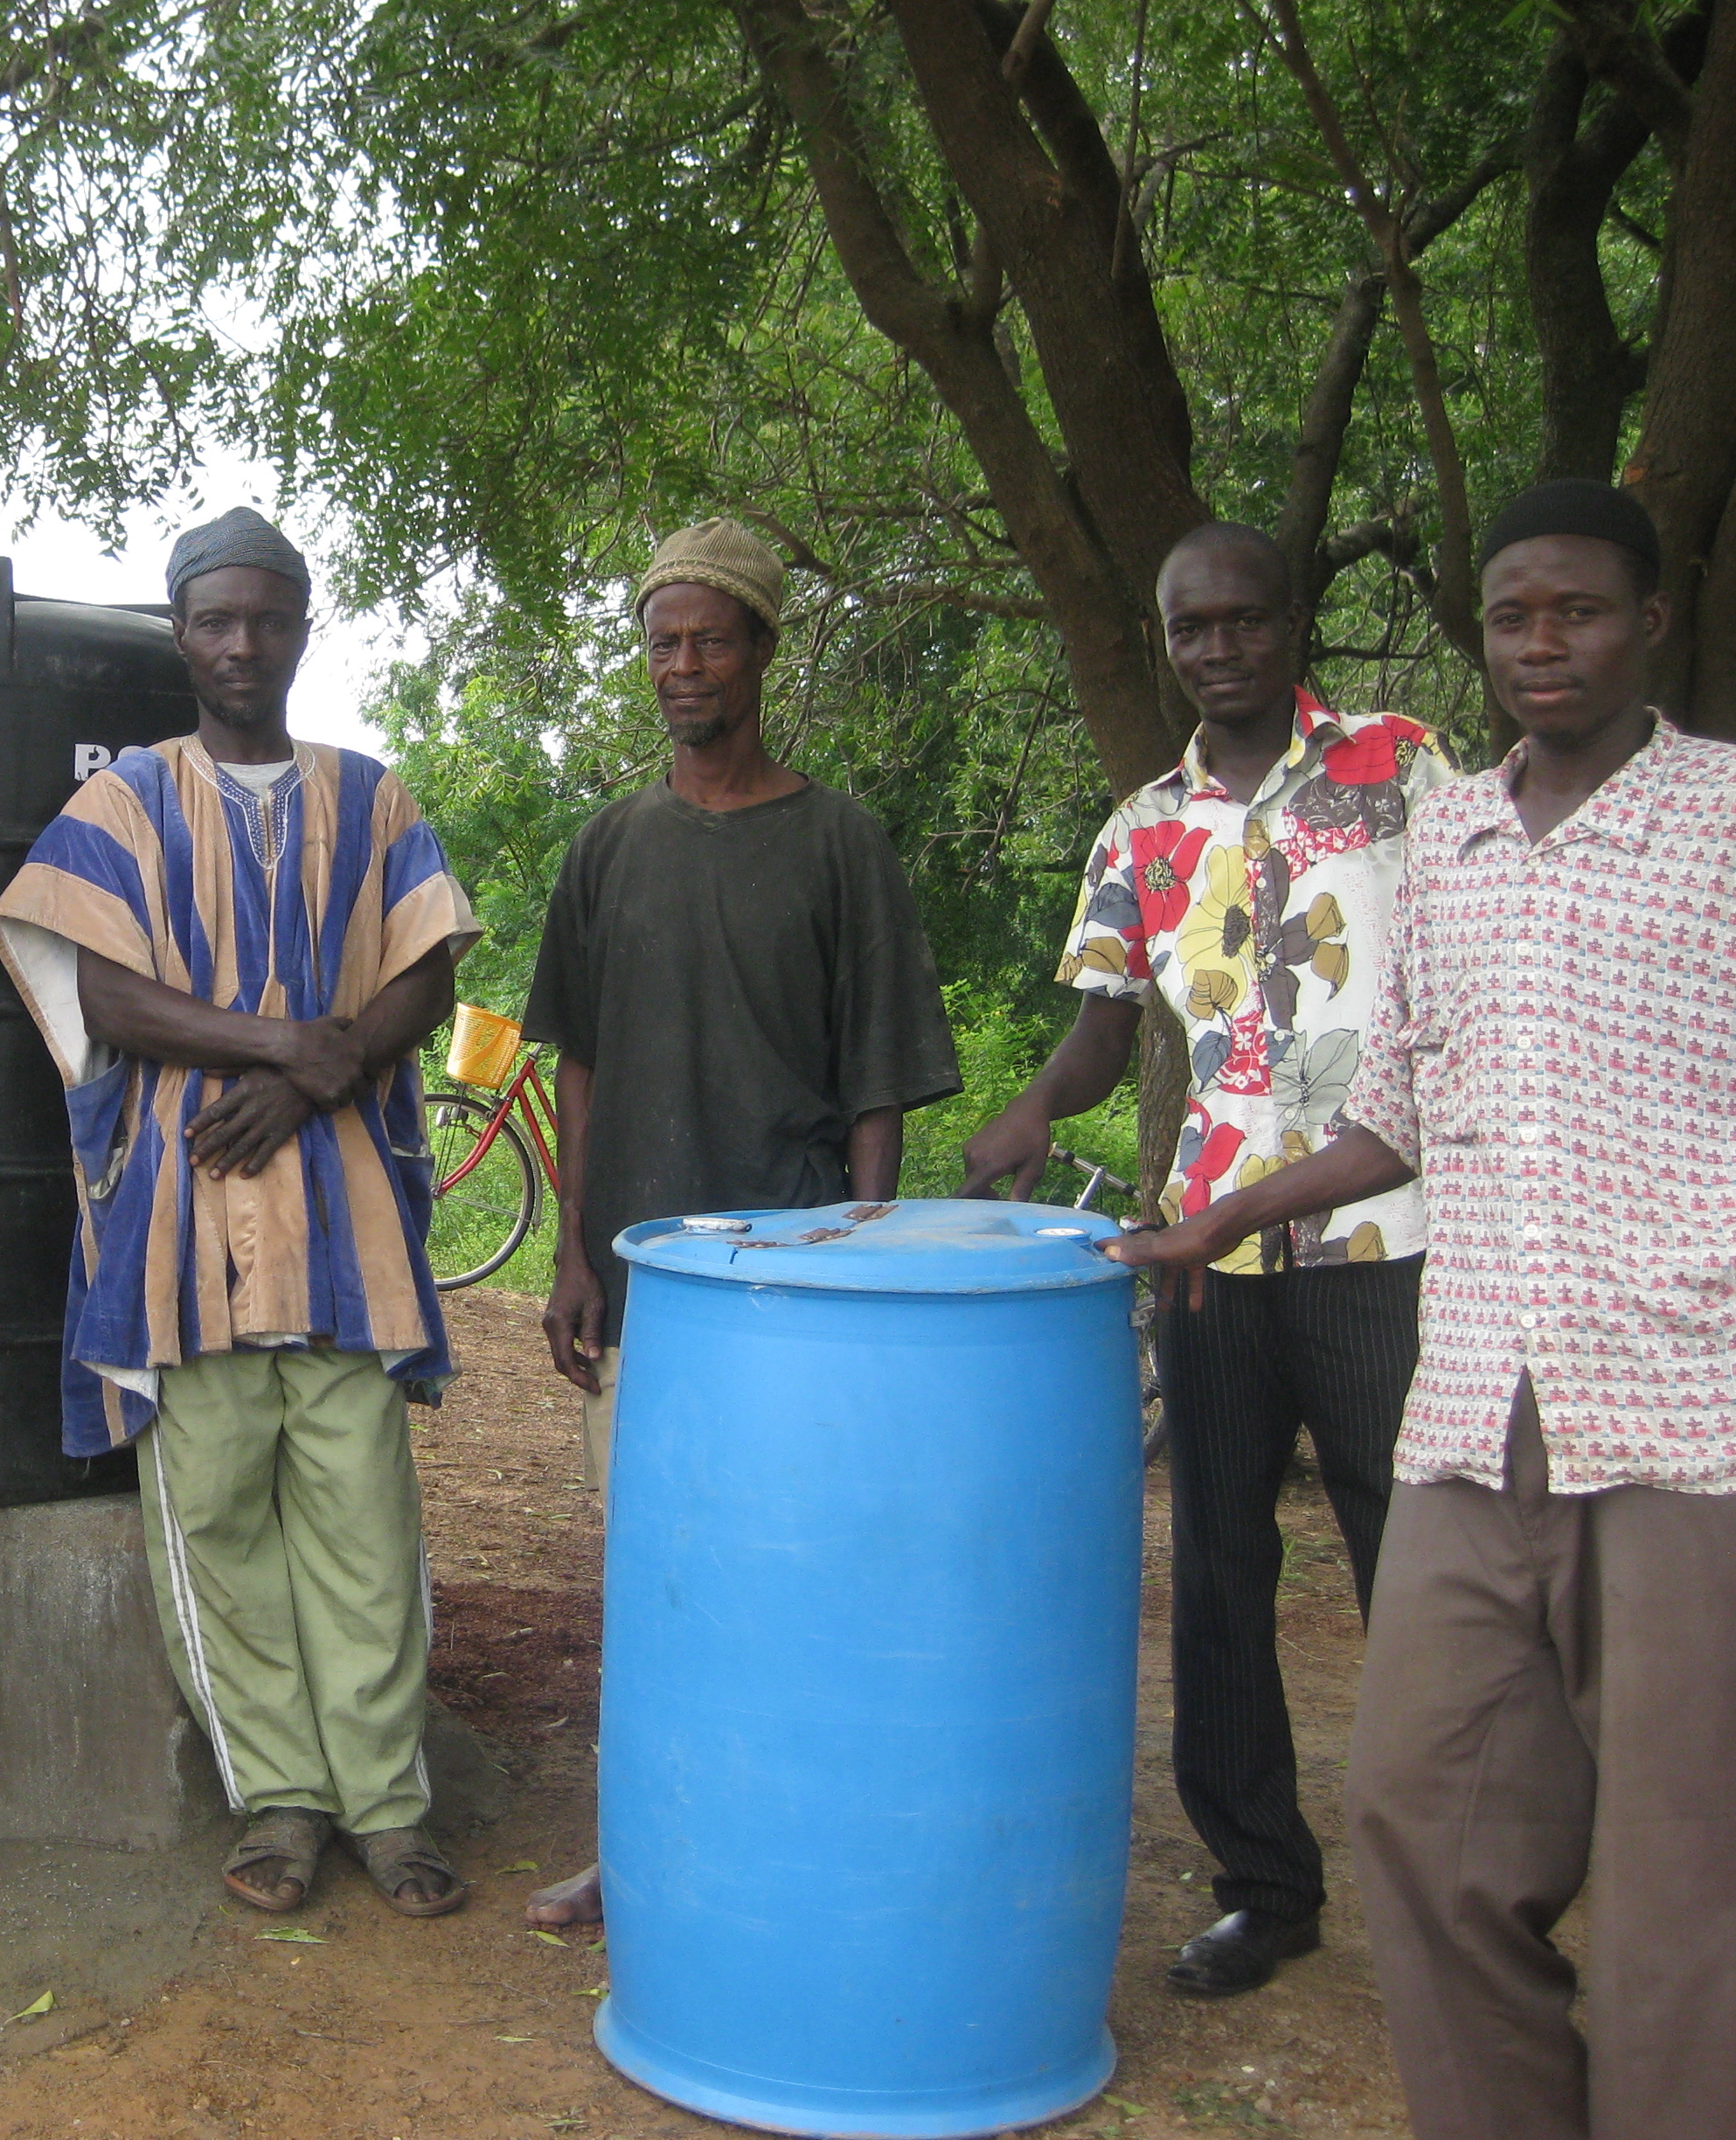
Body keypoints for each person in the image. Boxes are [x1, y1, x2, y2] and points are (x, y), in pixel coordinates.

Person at [1113, 478, 1736, 2138]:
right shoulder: (1450, 842)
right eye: (1515, 616)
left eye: (1580, 611)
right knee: (1423, 1821)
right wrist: (1217, 1220)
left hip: (1681, 1415)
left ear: (1651, 623)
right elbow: (1390, 1106)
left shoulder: (1715, 821)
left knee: (1684, 1876)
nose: (1544, 644)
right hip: (1476, 1401)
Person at [962, 521, 1454, 1995]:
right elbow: (1109, 1031)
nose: (1220, 647)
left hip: (1386, 1234)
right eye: (1192, 628)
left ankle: (1454, 1892)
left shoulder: (1404, 767)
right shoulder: (1143, 826)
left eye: (1245, 619)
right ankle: (1266, 1885)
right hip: (1206, 1250)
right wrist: (1039, 1107)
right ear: (1167, 640)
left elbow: (1479, 957)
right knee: (1222, 1569)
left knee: (1414, 1571)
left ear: (1294, 622)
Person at [0, 507, 483, 1920]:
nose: (242, 644)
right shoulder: (127, 802)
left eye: (268, 618)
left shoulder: (369, 794)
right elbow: (99, 991)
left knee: (366, 1527)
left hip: (345, 1239)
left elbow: (426, 971)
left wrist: (338, 1061)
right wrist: (290, 1053)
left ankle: (388, 1807)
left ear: (302, 630)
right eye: (215, 620)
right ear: (181, 634)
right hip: (181, 1232)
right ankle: (277, 1803)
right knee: (215, 1529)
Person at [523, 517, 962, 1929]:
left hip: (795, 1289)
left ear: (765, 651)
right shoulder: (608, 849)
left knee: (800, 1571)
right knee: (653, 1575)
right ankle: (642, 1846)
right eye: (663, 641)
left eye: (712, 638)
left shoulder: (839, 844)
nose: (684, 665)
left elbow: (879, 1079)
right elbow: (577, 1066)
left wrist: (867, 1259)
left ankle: (794, 1845)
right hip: (651, 1282)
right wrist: (575, 1250)